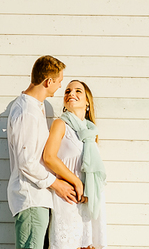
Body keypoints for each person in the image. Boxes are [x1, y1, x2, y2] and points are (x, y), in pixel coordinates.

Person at [6, 56, 78, 249]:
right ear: (48, 81)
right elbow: (26, 162)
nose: (60, 85)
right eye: (60, 81)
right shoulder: (27, 112)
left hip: (37, 198)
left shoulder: (34, 108)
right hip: (31, 197)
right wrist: (57, 184)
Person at [43, 79, 107, 249]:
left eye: (78, 91)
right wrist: (78, 182)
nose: (71, 93)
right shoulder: (60, 124)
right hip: (68, 198)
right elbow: (49, 157)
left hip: (90, 201)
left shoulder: (90, 131)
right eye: (67, 91)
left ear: (87, 102)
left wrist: (89, 189)